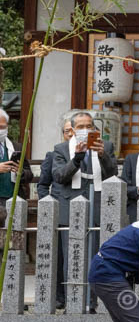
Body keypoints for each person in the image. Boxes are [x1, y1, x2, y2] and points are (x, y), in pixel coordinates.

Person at [51, 112, 117, 312]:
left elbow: (112, 174)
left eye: (89, 125)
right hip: (70, 207)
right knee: (72, 256)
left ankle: (93, 302)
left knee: (97, 256)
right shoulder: (61, 149)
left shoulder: (107, 147)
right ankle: (73, 301)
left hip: (98, 206)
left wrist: (102, 155)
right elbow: (60, 176)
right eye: (80, 126)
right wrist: (77, 158)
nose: (85, 130)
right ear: (71, 130)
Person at [38, 119, 73, 310]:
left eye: (73, 130)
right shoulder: (53, 155)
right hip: (59, 212)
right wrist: (49, 204)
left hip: (83, 212)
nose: (71, 134)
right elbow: (43, 184)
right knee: (60, 257)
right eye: (67, 131)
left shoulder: (90, 156)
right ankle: (60, 297)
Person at [0, 108, 33, 209]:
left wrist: (21, 172)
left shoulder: (16, 147)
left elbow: (29, 175)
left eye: (2, 127)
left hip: (13, 199)